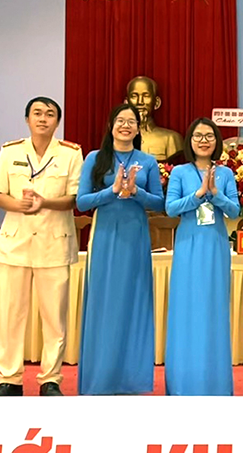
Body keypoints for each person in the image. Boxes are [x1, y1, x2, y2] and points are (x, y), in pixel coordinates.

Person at [0, 97, 83, 396]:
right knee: (10, 316)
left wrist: (45, 203)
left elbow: (75, 199)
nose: (43, 119)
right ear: (27, 119)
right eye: (37, 113)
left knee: (54, 318)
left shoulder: (70, 153)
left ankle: (50, 379)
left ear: (58, 121)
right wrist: (17, 205)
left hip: (54, 243)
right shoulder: (11, 150)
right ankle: (9, 379)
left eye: (50, 114)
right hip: (15, 243)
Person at [76, 103, 165, 395]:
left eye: (131, 121)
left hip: (135, 237)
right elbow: (82, 202)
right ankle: (101, 378)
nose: (126, 125)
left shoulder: (147, 161)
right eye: (120, 120)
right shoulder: (95, 158)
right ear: (111, 126)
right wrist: (111, 190)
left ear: (138, 129)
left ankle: (131, 379)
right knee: (104, 303)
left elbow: (160, 203)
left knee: (133, 302)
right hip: (105, 237)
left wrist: (137, 192)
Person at [164, 118, 240, 395]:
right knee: (186, 309)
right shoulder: (180, 172)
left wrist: (216, 195)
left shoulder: (226, 173)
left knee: (213, 308)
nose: (204, 141)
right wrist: (198, 195)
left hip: (216, 244)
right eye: (198, 136)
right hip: (188, 244)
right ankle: (183, 384)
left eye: (209, 136)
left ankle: (215, 384)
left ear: (216, 141)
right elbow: (171, 208)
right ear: (190, 141)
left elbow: (234, 211)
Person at [126, 76, 183, 161]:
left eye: (146, 96)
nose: (140, 102)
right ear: (126, 102)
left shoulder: (171, 139)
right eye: (134, 96)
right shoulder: (118, 138)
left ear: (156, 103)